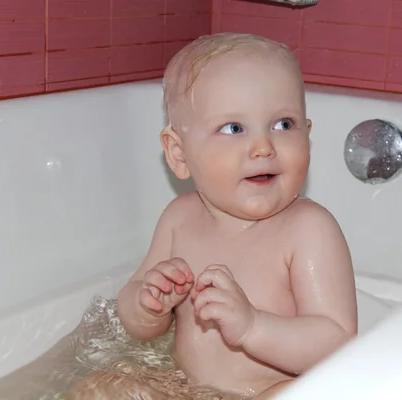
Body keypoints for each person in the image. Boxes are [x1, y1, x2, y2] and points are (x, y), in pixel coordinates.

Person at [71, 32, 358, 400]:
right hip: (184, 388)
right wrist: (149, 304)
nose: (263, 146)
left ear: (308, 135)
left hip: (270, 391)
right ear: (178, 153)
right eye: (234, 128)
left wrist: (253, 327)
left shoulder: (308, 230)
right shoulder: (180, 218)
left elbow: (337, 344)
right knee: (100, 389)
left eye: (284, 124)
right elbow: (137, 320)